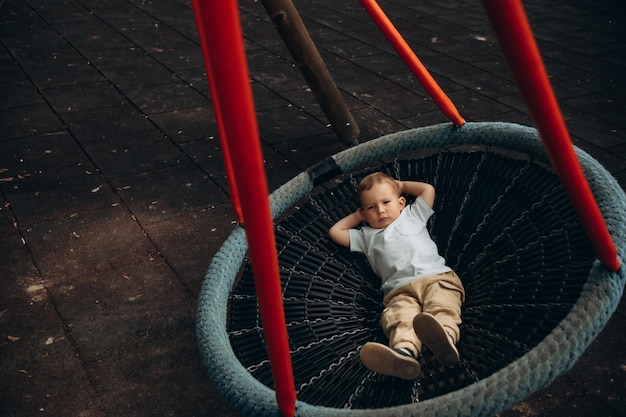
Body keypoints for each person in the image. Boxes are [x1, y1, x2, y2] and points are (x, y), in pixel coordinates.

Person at [328, 172, 465, 380]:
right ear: (364, 214)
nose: (381, 210)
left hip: (436, 278)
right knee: (400, 317)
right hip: (399, 292)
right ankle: (404, 353)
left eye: (386, 202)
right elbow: (335, 232)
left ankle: (445, 337)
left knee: (442, 304)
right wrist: (358, 217)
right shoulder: (366, 236)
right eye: (372, 207)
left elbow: (428, 189)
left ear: (401, 202)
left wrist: (400, 185)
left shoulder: (413, 215)